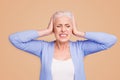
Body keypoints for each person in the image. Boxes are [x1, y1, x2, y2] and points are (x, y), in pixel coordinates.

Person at [9, 11, 117, 80]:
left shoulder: (80, 48)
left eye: (68, 26)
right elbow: (15, 39)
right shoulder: (43, 48)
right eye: (59, 26)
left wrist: (79, 33)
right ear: (53, 29)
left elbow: (110, 40)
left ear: (72, 28)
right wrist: (46, 31)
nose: (63, 30)